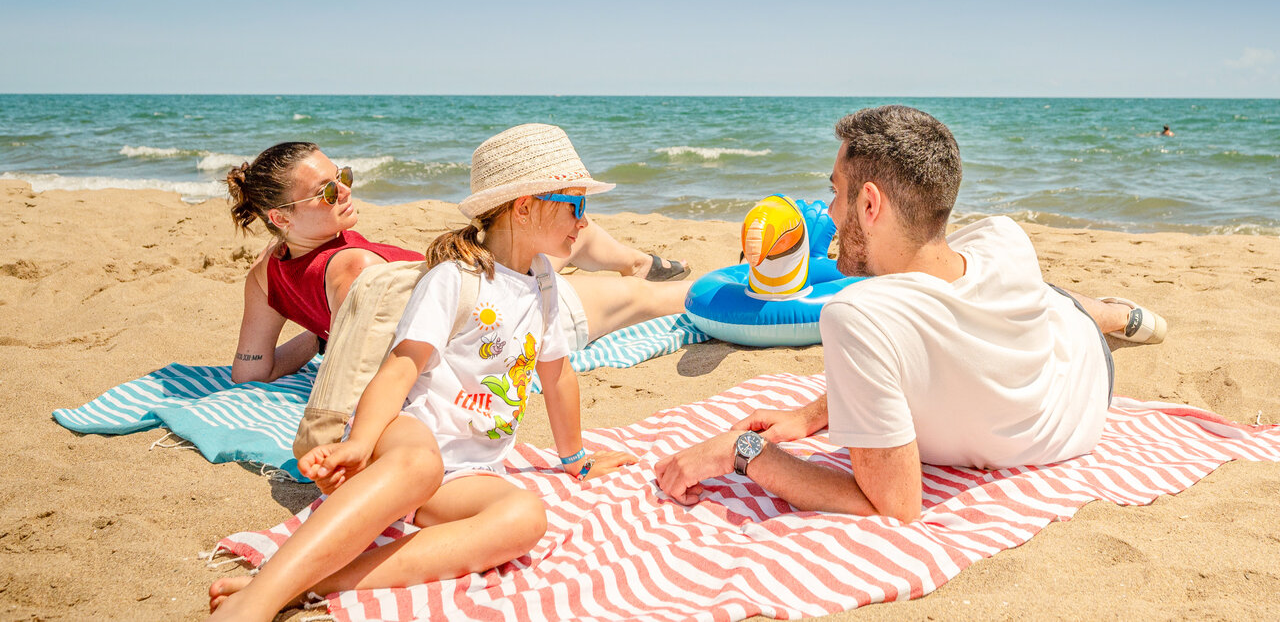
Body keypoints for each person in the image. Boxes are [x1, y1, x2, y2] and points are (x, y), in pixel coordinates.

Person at [655, 105, 1167, 522]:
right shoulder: (1004, 235)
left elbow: (894, 507)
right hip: (1080, 372)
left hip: (1081, 365)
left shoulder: (855, 316)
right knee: (1050, 299)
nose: (829, 211)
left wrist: (743, 452)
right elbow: (909, 354)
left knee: (1064, 302)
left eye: (836, 192)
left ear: (870, 205)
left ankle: (1109, 314)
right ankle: (1102, 315)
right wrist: (807, 418)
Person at [208, 123, 639, 619]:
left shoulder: (544, 284)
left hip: (470, 468)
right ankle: (257, 604)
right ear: (524, 206)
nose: (584, 221)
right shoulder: (454, 278)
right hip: (407, 435)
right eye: (576, 206)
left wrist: (576, 458)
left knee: (523, 518)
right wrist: (359, 444)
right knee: (420, 463)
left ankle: (305, 584)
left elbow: (557, 375)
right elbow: (399, 368)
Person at [225, 141, 690, 383]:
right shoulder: (354, 269)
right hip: (496, 309)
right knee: (645, 298)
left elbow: (252, 371)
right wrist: (330, 328)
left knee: (564, 234)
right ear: (280, 215)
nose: (345, 190)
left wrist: (320, 332)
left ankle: (635, 260)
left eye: (341, 176)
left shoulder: (266, 275)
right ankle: (692, 279)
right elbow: (411, 360)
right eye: (327, 192)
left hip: (479, 274)